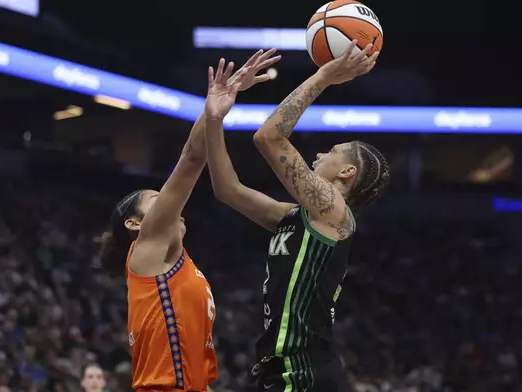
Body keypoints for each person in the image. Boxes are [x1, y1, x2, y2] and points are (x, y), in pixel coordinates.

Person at [204, 41, 388, 391]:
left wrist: (323, 76)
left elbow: (268, 137)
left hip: (304, 369)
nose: (320, 153)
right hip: (285, 367)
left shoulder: (336, 213)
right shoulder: (302, 217)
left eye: (332, 151)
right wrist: (215, 119)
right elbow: (227, 189)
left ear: (347, 172)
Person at [98, 50, 280, 392]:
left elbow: (199, 376)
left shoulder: (182, 269)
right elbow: (192, 157)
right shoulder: (146, 248)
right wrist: (214, 112)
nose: (171, 203)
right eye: (157, 198)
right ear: (134, 224)